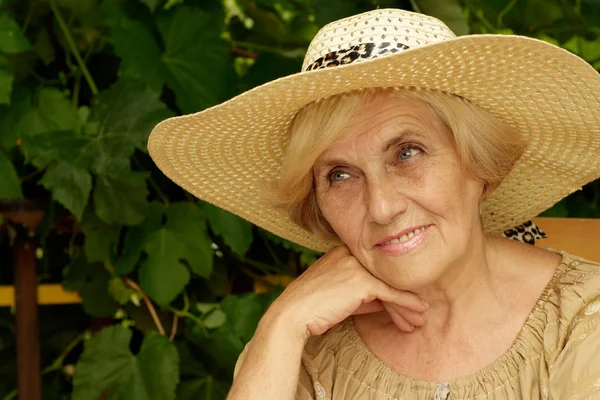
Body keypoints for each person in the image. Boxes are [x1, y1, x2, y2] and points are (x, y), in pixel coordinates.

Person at [147, 8, 600, 400]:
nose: (381, 208)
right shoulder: (305, 343)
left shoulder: (583, 320)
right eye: (339, 176)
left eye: (407, 153)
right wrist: (281, 326)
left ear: (477, 164)